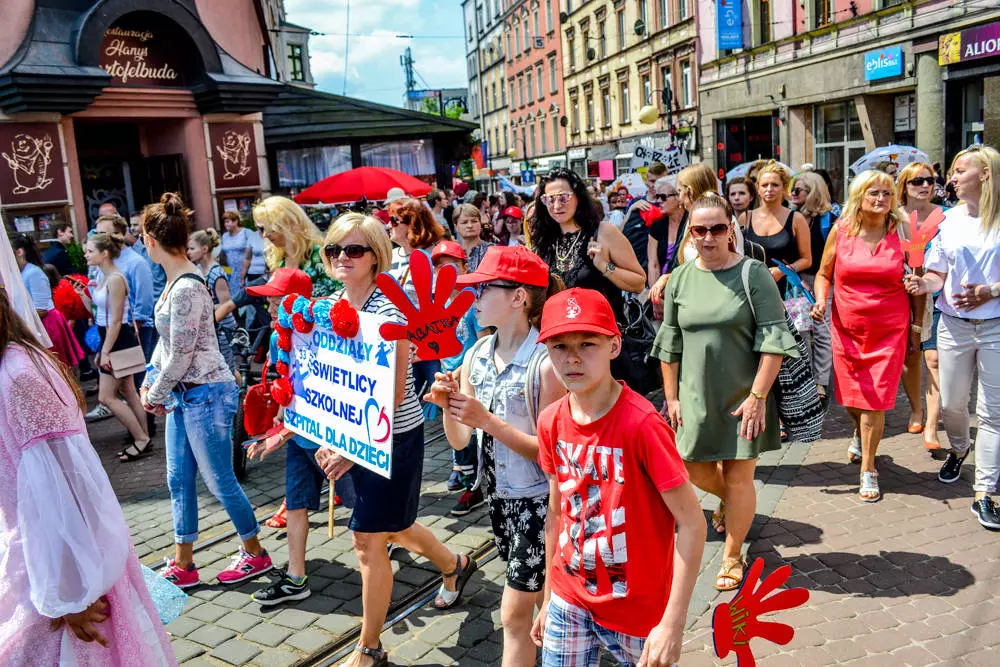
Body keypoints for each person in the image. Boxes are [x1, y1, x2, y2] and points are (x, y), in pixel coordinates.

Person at [305, 213, 477, 667]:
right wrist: (323, 432)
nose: (342, 257)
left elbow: (393, 388)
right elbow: (328, 382)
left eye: (354, 249)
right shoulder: (330, 304)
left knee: (367, 539)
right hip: (349, 438)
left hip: (391, 439)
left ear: (376, 255)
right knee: (394, 528)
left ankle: (369, 648)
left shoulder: (388, 312)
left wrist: (346, 446)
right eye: (335, 249)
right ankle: (454, 565)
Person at [0, 286, 177, 666]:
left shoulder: (19, 376)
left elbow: (65, 493)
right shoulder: (13, 367)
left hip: (61, 574)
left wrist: (69, 595)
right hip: (39, 564)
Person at [529, 286, 706, 666]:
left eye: (587, 344)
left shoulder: (642, 426)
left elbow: (692, 523)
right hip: (568, 595)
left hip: (637, 609)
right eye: (559, 346)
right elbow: (556, 512)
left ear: (613, 346)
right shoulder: (551, 421)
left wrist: (672, 622)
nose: (572, 358)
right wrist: (547, 599)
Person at [426, 245, 566, 665]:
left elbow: (554, 456)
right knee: (542, 601)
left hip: (540, 504)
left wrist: (487, 420)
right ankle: (565, 649)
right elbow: (457, 440)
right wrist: (449, 404)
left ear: (519, 297)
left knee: (513, 614)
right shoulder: (476, 356)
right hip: (499, 499)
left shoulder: (544, 363)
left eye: (485, 288)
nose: (476, 296)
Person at [654, 194, 798, 590]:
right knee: (692, 467)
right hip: (694, 395)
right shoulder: (680, 278)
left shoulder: (754, 275)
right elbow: (670, 344)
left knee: (739, 478)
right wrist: (672, 398)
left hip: (743, 394)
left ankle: (733, 555)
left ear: (731, 228)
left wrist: (757, 397)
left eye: (718, 228)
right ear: (691, 233)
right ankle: (732, 506)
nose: (708, 237)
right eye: (699, 229)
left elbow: (774, 341)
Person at [140, 192, 274, 588]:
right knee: (178, 479)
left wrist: (155, 392)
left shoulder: (186, 287)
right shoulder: (173, 283)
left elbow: (181, 352)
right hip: (185, 392)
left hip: (206, 393)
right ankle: (184, 563)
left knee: (219, 479)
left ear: (151, 240)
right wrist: (153, 380)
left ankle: (255, 553)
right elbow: (166, 346)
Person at [905, 145, 1000, 530]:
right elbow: (937, 275)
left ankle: (985, 493)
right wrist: (921, 282)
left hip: (996, 325)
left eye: (961, 170)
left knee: (993, 412)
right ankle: (960, 449)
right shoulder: (949, 221)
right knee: (953, 407)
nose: (952, 177)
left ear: (987, 175)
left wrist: (989, 291)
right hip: (954, 325)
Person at [811, 170, 916, 502]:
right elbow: (824, 273)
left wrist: (918, 325)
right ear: (859, 196)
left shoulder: (905, 230)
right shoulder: (841, 231)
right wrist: (821, 300)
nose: (881, 198)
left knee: (876, 398)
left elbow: (919, 278)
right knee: (852, 399)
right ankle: (858, 431)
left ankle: (868, 468)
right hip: (847, 328)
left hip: (889, 328)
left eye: (887, 193)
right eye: (874, 192)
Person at [529, 167, 645, 330]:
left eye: (563, 197)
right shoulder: (545, 241)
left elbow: (639, 282)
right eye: (549, 199)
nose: (556, 205)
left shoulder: (604, 232)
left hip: (601, 338)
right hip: (561, 338)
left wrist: (605, 266)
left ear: (578, 197)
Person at [75, 232, 149, 458]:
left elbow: (117, 320)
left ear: (104, 253)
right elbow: (100, 314)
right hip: (110, 338)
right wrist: (82, 295)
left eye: (90, 251)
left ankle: (141, 438)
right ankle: (144, 437)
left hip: (118, 339)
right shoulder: (103, 275)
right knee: (128, 391)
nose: (85, 254)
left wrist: (104, 351)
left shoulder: (116, 278)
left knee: (106, 397)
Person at [429, 240, 485, 505]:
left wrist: (462, 370)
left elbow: (484, 342)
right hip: (448, 376)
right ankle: (462, 472)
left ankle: (475, 484)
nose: (445, 272)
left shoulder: (474, 304)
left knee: (472, 428)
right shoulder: (436, 305)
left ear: (464, 267)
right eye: (439, 267)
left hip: (469, 376)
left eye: (451, 266)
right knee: (453, 425)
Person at [897, 162, 946, 447]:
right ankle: (917, 409)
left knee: (934, 359)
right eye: (917, 181)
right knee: (911, 356)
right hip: (902, 296)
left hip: (937, 295)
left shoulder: (946, 217)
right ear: (904, 185)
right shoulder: (892, 218)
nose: (925, 185)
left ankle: (932, 425)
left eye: (930, 180)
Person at [388, 197, 447, 396]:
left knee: (439, 396)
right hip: (398, 343)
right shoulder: (390, 256)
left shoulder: (431, 256)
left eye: (394, 220)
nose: (389, 225)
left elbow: (438, 302)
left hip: (427, 344)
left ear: (411, 223)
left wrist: (422, 343)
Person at [791, 171, 835, 403]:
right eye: (793, 189)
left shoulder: (829, 219)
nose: (793, 194)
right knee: (802, 331)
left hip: (821, 280)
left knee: (821, 331)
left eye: (799, 190)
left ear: (813, 192)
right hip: (797, 281)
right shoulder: (792, 216)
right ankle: (806, 380)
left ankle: (820, 382)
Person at [12, 234, 84, 371]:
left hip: (48, 325)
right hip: (38, 325)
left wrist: (17, 324)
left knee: (59, 367)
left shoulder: (33, 273)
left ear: (19, 252)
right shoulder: (21, 273)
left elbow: (42, 309)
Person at [740, 161, 812, 296]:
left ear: (784, 188)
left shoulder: (796, 219)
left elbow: (807, 259)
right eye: (764, 185)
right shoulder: (745, 218)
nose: (769, 189)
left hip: (785, 292)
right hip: (751, 291)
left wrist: (783, 270)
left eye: (775, 185)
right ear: (757, 188)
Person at [255, 195, 340, 298]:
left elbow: (343, 295)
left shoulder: (319, 255)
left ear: (290, 224)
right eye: (261, 229)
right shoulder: (276, 259)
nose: (265, 235)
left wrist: (304, 304)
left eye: (270, 229)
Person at [187, 229, 238, 374]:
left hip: (223, 328)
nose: (188, 252)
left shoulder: (216, 272)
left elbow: (226, 304)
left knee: (229, 368)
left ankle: (239, 394)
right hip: (210, 327)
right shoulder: (197, 269)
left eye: (192, 248)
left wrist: (204, 308)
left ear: (204, 249)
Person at [621, 161, 669, 272]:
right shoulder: (635, 203)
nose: (655, 185)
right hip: (635, 266)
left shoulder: (669, 204)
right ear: (646, 181)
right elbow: (621, 234)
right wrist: (631, 210)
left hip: (658, 266)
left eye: (660, 181)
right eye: (652, 181)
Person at [646, 177, 687, 288]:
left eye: (663, 197)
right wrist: (655, 296)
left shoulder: (691, 221)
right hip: (661, 285)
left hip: (684, 283)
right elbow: (653, 264)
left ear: (678, 198)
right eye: (657, 197)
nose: (659, 201)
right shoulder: (657, 225)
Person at [219, 210, 266, 294]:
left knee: (245, 295)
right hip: (231, 271)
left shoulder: (246, 232)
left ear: (236, 221)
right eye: (224, 222)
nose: (225, 224)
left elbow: (254, 250)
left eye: (228, 222)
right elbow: (223, 254)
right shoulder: (225, 236)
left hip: (246, 270)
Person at [453, 202, 494, 272]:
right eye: (464, 222)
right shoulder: (452, 254)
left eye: (474, 221)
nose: (470, 226)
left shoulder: (493, 250)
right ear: (456, 227)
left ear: (480, 224)